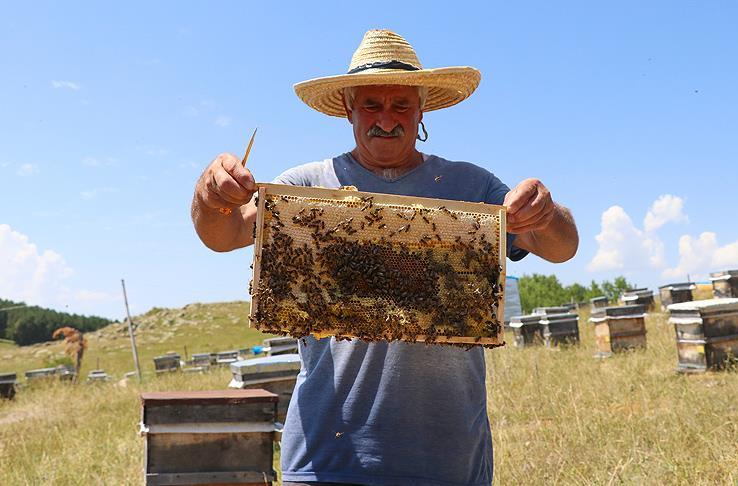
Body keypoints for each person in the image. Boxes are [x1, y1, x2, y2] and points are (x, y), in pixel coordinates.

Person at [192, 29, 578, 486]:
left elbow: (561, 247)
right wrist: (209, 193)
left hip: (448, 458)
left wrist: (545, 213)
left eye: (401, 106)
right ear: (348, 109)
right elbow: (224, 232)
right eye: (372, 105)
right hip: (326, 456)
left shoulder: (471, 187)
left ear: (422, 110)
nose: (387, 120)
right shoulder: (304, 187)